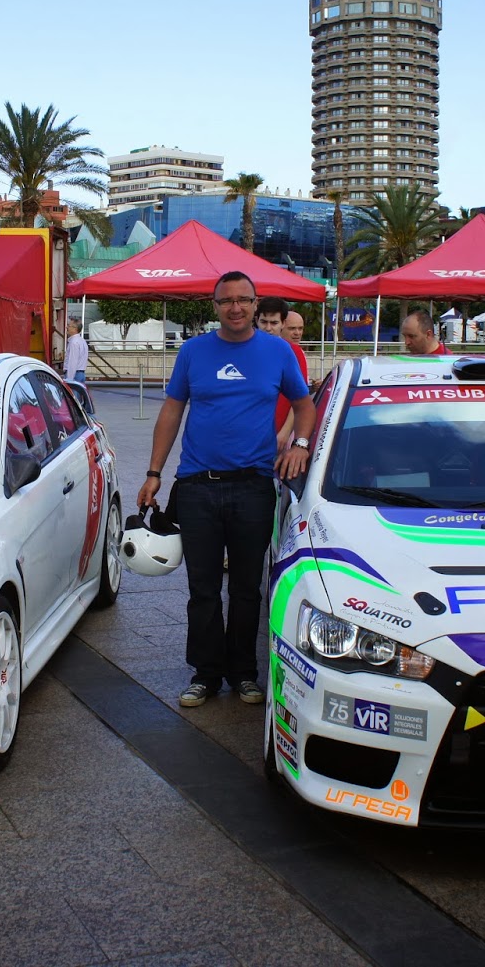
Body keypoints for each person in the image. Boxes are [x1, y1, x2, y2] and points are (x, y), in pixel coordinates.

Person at [139, 272, 314, 708]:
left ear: (256, 305)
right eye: (226, 301)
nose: (235, 307)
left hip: (254, 487)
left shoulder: (278, 350)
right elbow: (172, 410)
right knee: (201, 588)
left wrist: (301, 445)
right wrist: (154, 471)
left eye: (243, 300)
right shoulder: (194, 351)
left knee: (246, 588)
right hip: (198, 486)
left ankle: (244, 674)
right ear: (213, 305)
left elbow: (304, 403)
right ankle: (205, 674)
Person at [257, 296, 309, 446]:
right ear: (256, 321)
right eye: (264, 322)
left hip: (280, 436)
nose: (268, 328)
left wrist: (285, 434)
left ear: (282, 324)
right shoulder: (245, 350)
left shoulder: (293, 352)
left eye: (273, 323)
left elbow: (301, 400)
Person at [63, 317, 88, 384]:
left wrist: (69, 379)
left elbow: (72, 362)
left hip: (74, 375)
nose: (66, 327)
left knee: (72, 394)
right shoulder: (82, 341)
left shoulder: (74, 343)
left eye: (69, 325)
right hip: (81, 374)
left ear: (75, 329)